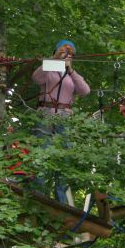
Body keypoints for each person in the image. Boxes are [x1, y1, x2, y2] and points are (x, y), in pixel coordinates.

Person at [31, 39, 90, 204]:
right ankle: (39, 197)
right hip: (46, 115)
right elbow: (36, 78)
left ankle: (61, 201)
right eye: (64, 52)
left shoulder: (72, 74)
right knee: (42, 155)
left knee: (64, 158)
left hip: (65, 117)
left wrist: (70, 69)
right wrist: (55, 59)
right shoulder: (49, 68)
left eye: (70, 54)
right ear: (56, 52)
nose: (67, 56)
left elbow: (85, 91)